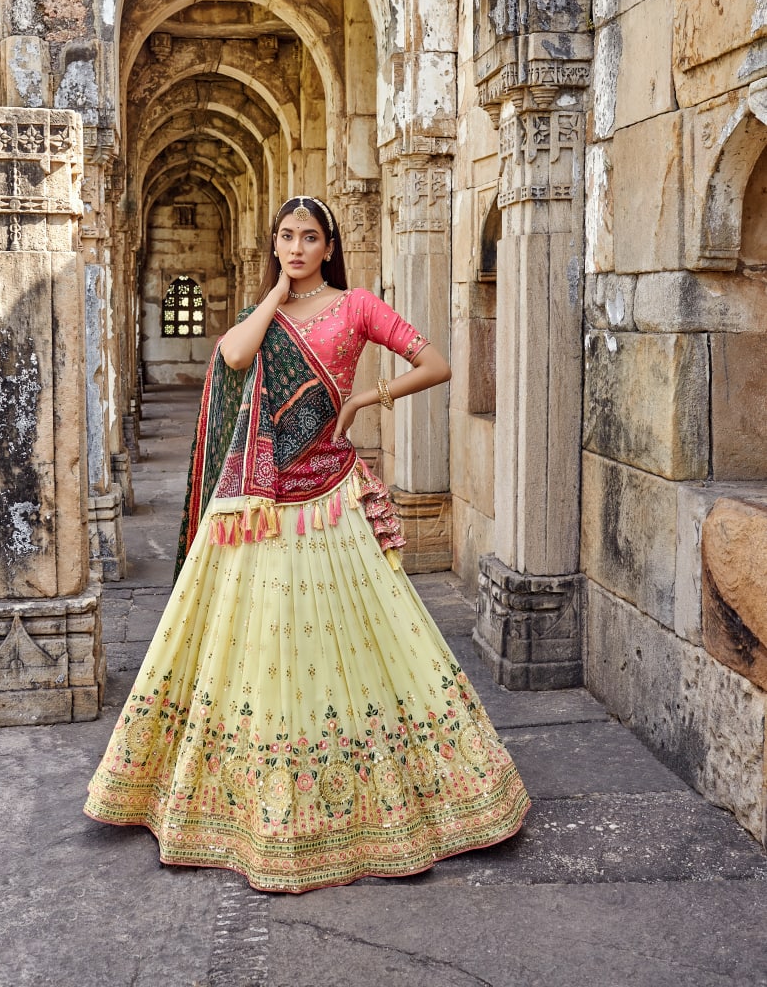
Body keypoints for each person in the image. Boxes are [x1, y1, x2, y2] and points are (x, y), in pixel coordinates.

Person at [84, 195, 529, 892]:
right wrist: (274, 296)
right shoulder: (267, 313)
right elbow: (231, 356)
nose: (296, 247)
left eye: (309, 237)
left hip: (328, 497)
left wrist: (364, 401)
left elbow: (435, 362)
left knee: (357, 641)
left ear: (329, 246)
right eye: (285, 237)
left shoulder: (356, 307)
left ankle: (386, 800)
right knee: (258, 641)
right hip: (260, 503)